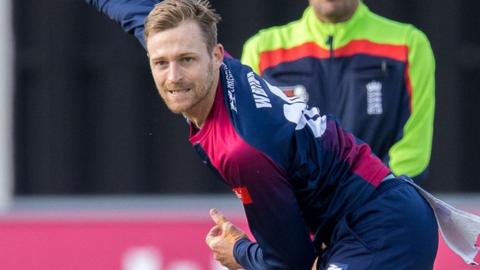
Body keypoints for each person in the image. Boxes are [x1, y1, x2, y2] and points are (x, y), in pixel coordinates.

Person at [87, 0, 441, 269]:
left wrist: (238, 251)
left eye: (187, 61)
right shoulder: (196, 56)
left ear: (217, 56)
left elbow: (289, 262)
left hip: (383, 229)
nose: (173, 76)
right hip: (360, 224)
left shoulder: (243, 147)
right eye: (160, 62)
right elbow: (135, 11)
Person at [241, 0, 436, 183]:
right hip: (294, 211)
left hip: (380, 208)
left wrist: (370, 197)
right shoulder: (261, 50)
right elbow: (253, 145)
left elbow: (413, 150)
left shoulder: (408, 44)